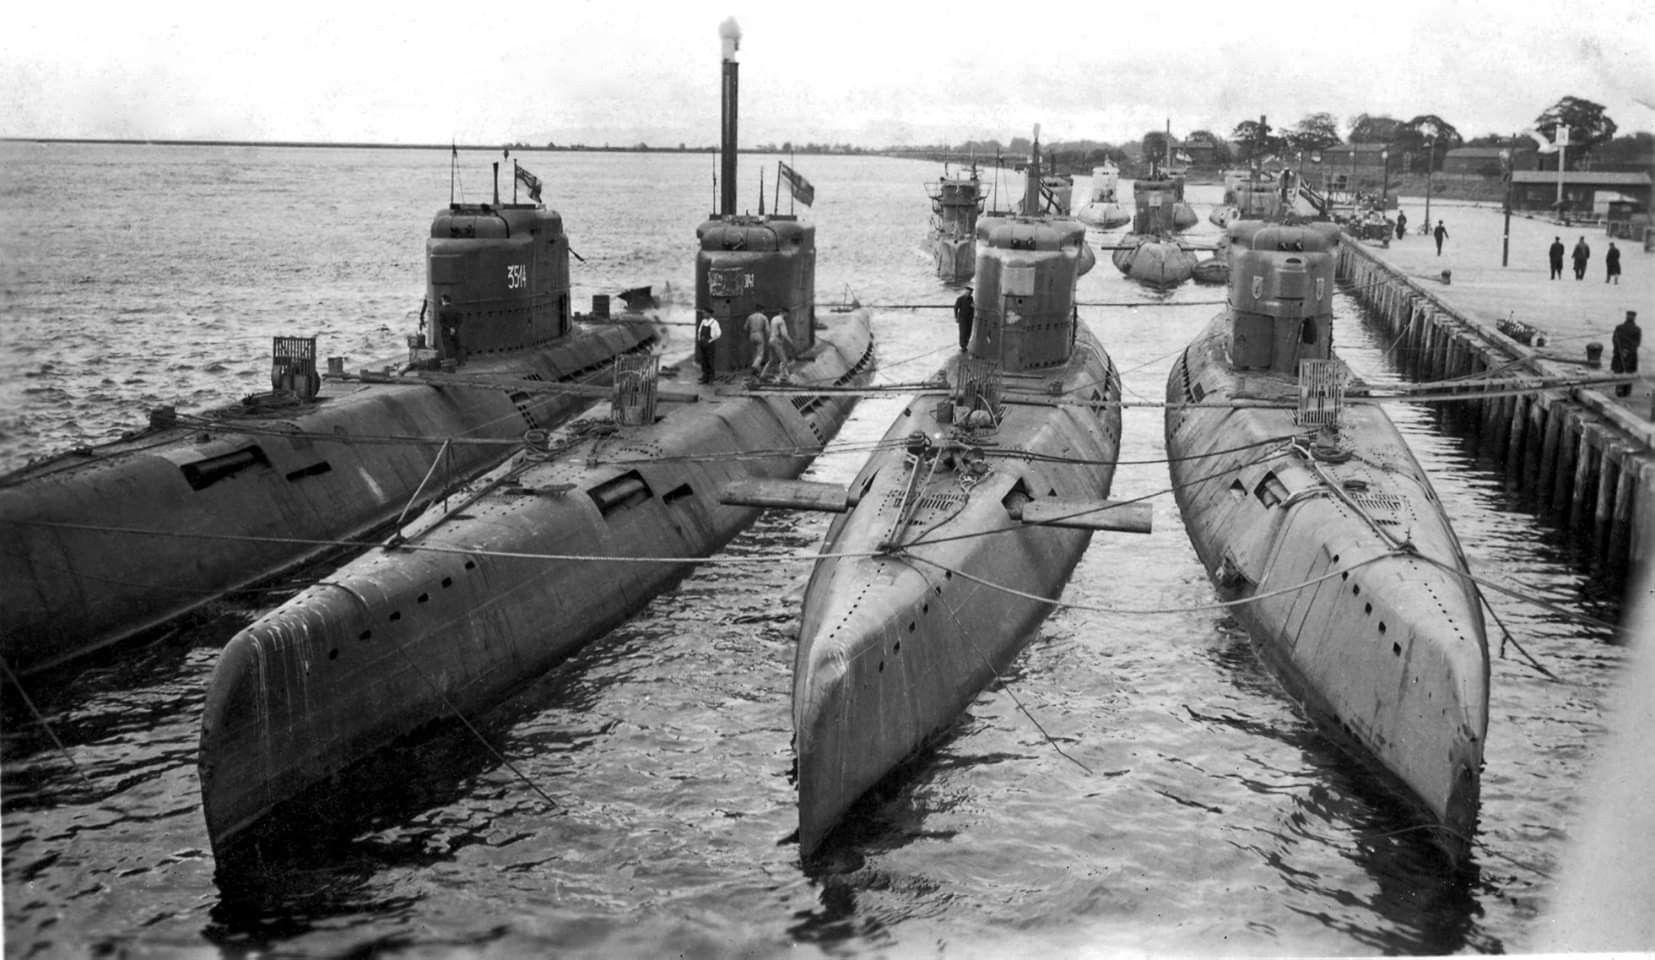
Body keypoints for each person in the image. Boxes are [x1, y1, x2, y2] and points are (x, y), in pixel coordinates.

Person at [1611, 310, 1640, 398]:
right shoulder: (1634, 329)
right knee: (1626, 375)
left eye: (1631, 316)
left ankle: (1620, 393)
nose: (1630, 317)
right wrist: (1625, 351)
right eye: (1630, 316)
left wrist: (1622, 350)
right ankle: (1624, 394)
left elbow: (1615, 340)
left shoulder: (1621, 327)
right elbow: (1636, 343)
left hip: (1622, 355)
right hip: (1628, 356)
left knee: (1621, 374)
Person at [763, 310, 796, 380]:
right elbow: (784, 334)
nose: (787, 316)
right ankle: (782, 378)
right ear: (785, 313)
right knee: (784, 360)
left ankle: (763, 375)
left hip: (771, 340)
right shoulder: (781, 320)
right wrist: (791, 342)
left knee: (771, 360)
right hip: (776, 341)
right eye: (787, 314)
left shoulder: (774, 318)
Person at [694, 310, 721, 384]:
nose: (703, 314)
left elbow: (718, 334)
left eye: (705, 313)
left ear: (709, 314)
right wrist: (699, 339)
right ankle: (705, 377)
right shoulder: (703, 321)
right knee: (704, 361)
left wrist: (710, 340)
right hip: (703, 343)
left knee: (710, 361)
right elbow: (699, 331)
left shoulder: (714, 323)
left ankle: (711, 378)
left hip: (710, 345)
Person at [744, 306, 769, 375]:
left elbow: (745, 328)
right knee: (760, 354)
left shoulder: (750, 317)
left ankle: (757, 370)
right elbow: (767, 329)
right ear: (762, 310)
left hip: (751, 334)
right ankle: (754, 366)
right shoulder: (764, 317)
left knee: (754, 353)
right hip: (759, 334)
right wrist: (768, 337)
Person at [954, 286, 975, 351]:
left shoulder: (971, 298)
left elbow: (972, 307)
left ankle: (966, 344)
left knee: (968, 331)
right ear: (965, 292)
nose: (968, 294)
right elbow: (956, 308)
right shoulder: (960, 299)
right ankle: (962, 346)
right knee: (963, 332)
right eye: (967, 292)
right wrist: (956, 317)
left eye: (970, 293)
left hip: (970, 318)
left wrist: (973, 307)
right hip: (962, 318)